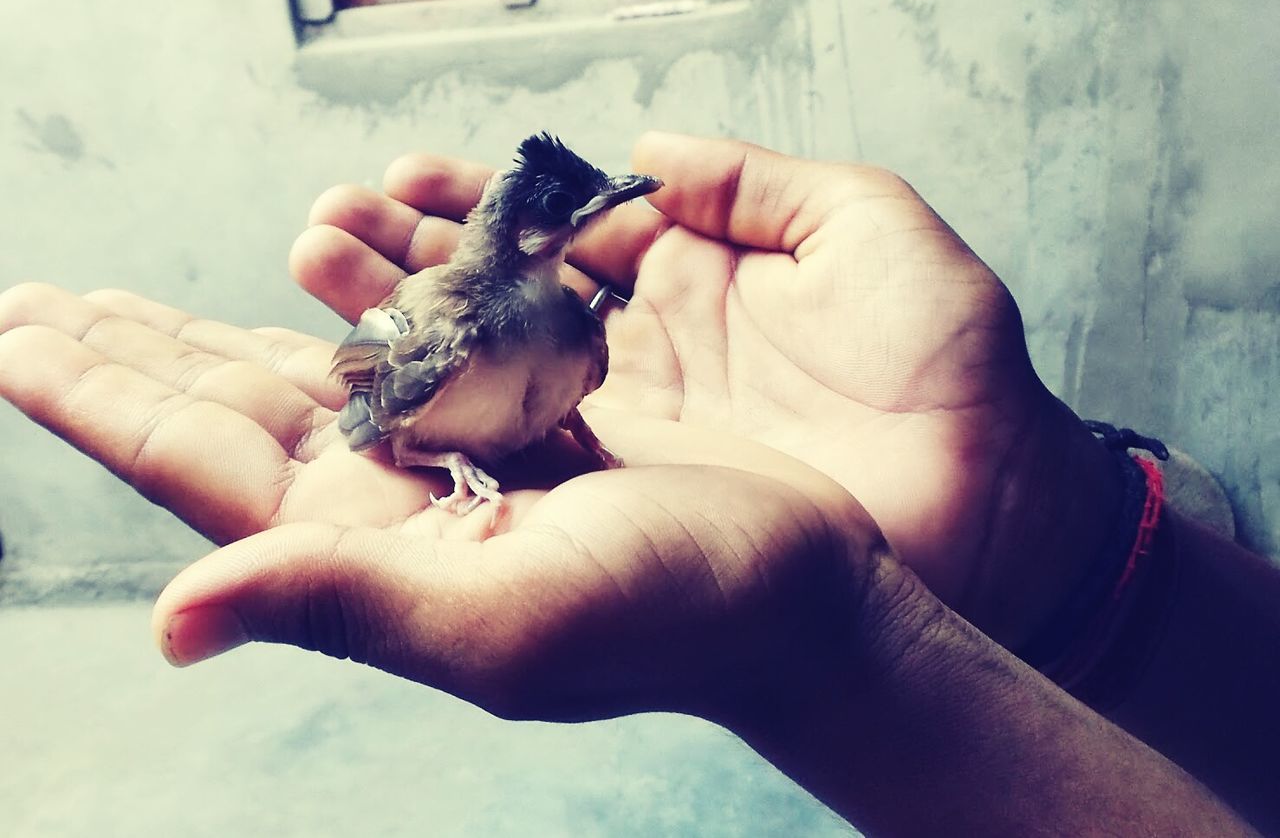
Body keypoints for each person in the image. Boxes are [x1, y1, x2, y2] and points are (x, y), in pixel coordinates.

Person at [0, 132, 1275, 835]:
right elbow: (363, 406)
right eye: (577, 208)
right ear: (529, 233)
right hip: (427, 416)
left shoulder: (577, 327)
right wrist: (445, 458)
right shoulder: (447, 322)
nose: (606, 212)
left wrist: (976, 545)